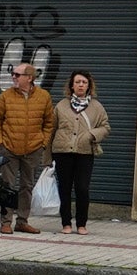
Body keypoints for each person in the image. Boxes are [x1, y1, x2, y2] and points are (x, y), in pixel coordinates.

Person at [0, 61, 56, 235]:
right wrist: (0, 143)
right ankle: (5, 222)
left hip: (33, 149)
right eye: (13, 74)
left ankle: (22, 221)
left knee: (27, 187)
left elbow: (49, 123)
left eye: (17, 75)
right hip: (9, 148)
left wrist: (42, 143)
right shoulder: (6, 96)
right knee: (8, 186)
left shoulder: (43, 96)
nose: (14, 77)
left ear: (30, 78)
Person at [50, 68, 111, 233]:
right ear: (71, 85)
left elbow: (105, 127)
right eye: (77, 82)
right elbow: (52, 129)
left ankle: (81, 224)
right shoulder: (61, 105)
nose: (81, 85)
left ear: (89, 86)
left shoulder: (97, 107)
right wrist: (47, 157)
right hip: (62, 152)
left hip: (85, 153)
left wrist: (92, 134)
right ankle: (66, 223)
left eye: (84, 82)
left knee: (82, 188)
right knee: (64, 188)